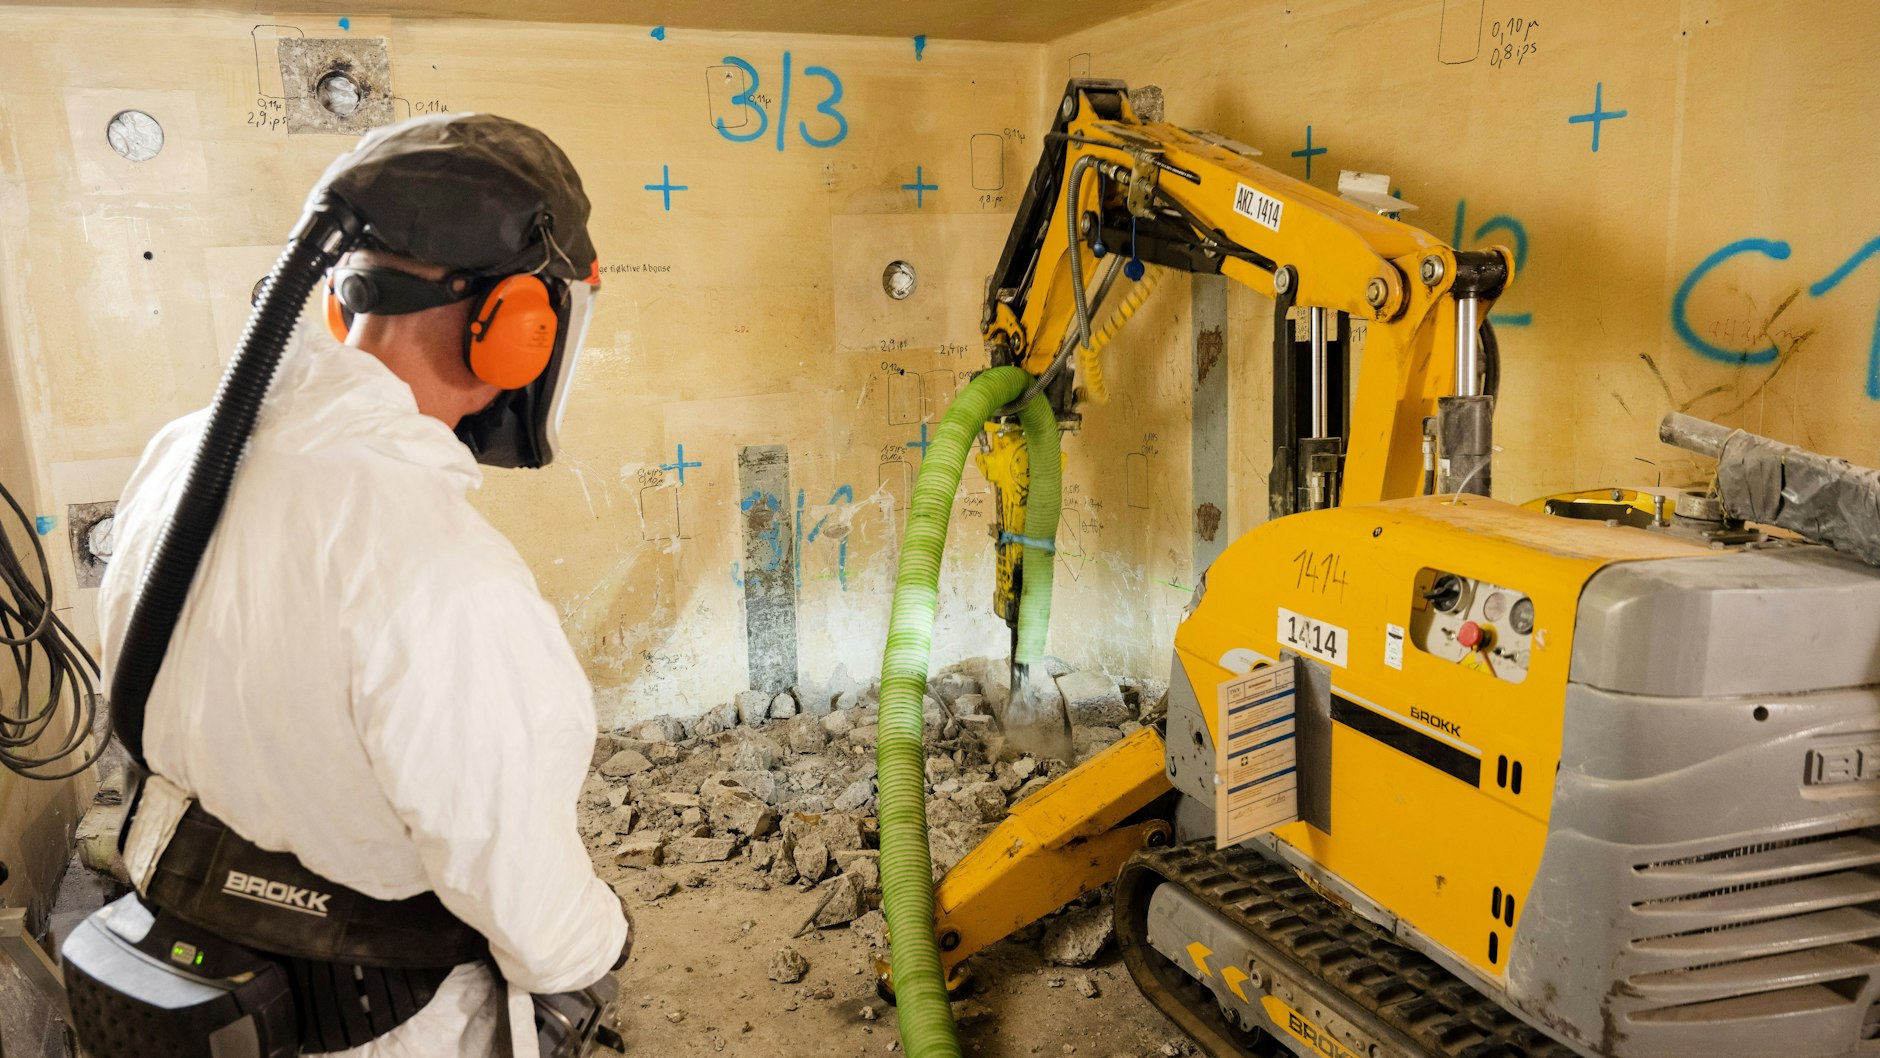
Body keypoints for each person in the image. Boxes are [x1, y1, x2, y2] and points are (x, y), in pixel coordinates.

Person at [97, 114, 627, 1057]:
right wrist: (599, 939)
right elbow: (521, 890)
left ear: (346, 301)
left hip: (185, 945)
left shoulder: (186, 454)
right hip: (376, 1014)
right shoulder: (437, 564)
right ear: (519, 327)